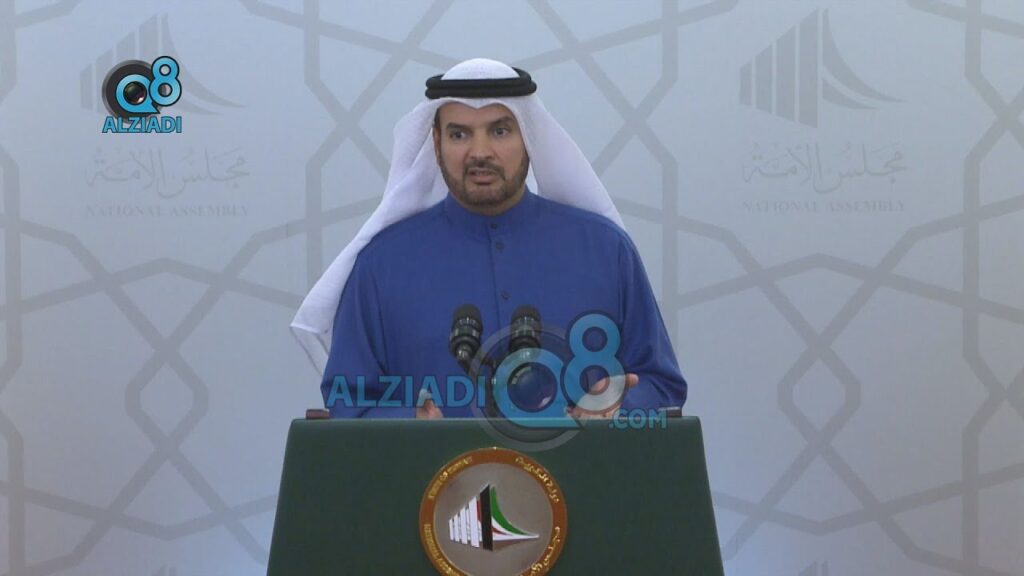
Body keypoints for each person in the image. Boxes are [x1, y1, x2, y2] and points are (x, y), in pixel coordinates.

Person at [292, 58, 686, 419]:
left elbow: (661, 385)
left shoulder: (606, 251)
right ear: (436, 143)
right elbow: (348, 401)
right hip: (429, 477)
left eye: (499, 131)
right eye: (459, 134)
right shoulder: (381, 266)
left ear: (528, 136)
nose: (480, 152)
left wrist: (618, 406)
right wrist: (408, 425)